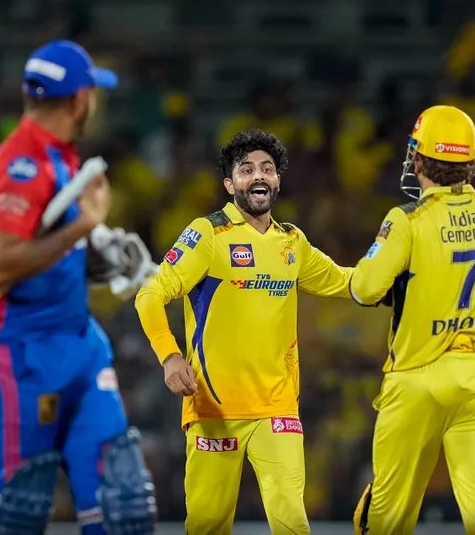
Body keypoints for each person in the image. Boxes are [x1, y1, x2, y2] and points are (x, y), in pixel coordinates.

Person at [0, 40, 157, 535]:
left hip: (78, 346)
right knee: (17, 511)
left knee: (122, 504)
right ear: (77, 100)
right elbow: (3, 260)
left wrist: (98, 256)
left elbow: (44, 250)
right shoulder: (21, 163)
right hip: (18, 354)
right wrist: (81, 228)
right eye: (92, 92)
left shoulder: (62, 158)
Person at [348, 105, 475, 535]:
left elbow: (365, 289)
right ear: (473, 163)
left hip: (414, 379)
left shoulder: (405, 220)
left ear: (417, 160)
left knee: (387, 518)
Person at [134, 129, 352, 535]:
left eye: (267, 169)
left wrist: (404, 274)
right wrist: (169, 354)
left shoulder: (293, 242)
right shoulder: (207, 235)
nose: (259, 177)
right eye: (247, 169)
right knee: (207, 526)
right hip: (214, 409)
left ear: (278, 181)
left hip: (277, 407)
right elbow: (149, 293)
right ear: (229, 183)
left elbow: (347, 282)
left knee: (292, 522)